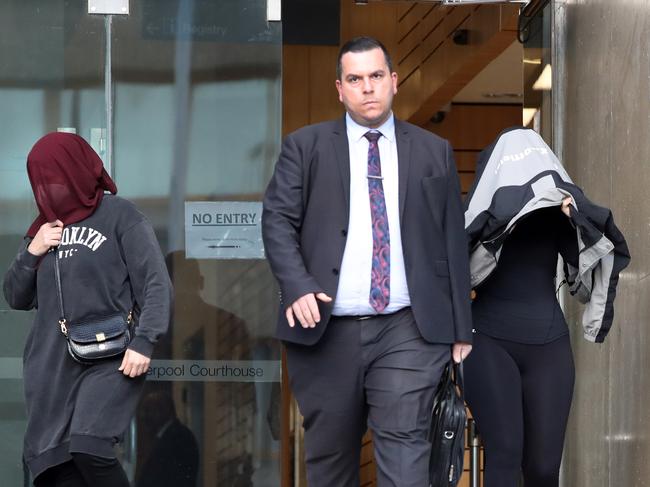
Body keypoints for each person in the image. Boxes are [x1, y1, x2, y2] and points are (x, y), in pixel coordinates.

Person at [262, 36, 473, 486]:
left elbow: (451, 238)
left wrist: (461, 325)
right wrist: (297, 285)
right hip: (325, 328)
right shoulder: (305, 147)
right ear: (340, 89)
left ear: (393, 81)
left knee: (405, 450)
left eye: (376, 76)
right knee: (331, 461)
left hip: (407, 328)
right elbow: (276, 221)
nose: (368, 88)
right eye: (355, 80)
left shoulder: (432, 150)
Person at [462, 127, 630, 487]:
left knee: (543, 468)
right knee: (505, 456)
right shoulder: (482, 217)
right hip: (488, 342)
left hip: (549, 344)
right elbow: (456, 266)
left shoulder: (560, 211)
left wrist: (576, 218)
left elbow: (586, 275)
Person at [3, 132, 173, 487]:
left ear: (76, 170)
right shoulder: (42, 230)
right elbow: (15, 297)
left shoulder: (120, 216)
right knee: (57, 470)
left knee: (89, 446)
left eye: (56, 177)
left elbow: (156, 283)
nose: (50, 188)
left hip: (111, 357)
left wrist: (145, 341)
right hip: (52, 367)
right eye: (42, 181)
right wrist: (31, 252)